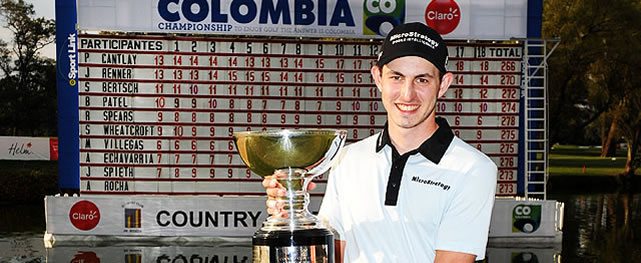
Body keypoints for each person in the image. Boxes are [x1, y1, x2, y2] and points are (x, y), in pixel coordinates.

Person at [263, 22, 497, 263]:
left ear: (443, 85)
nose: (407, 94)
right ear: (378, 78)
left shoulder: (473, 169)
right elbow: (334, 256)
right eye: (397, 77)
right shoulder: (347, 159)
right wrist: (292, 216)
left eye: (422, 80)